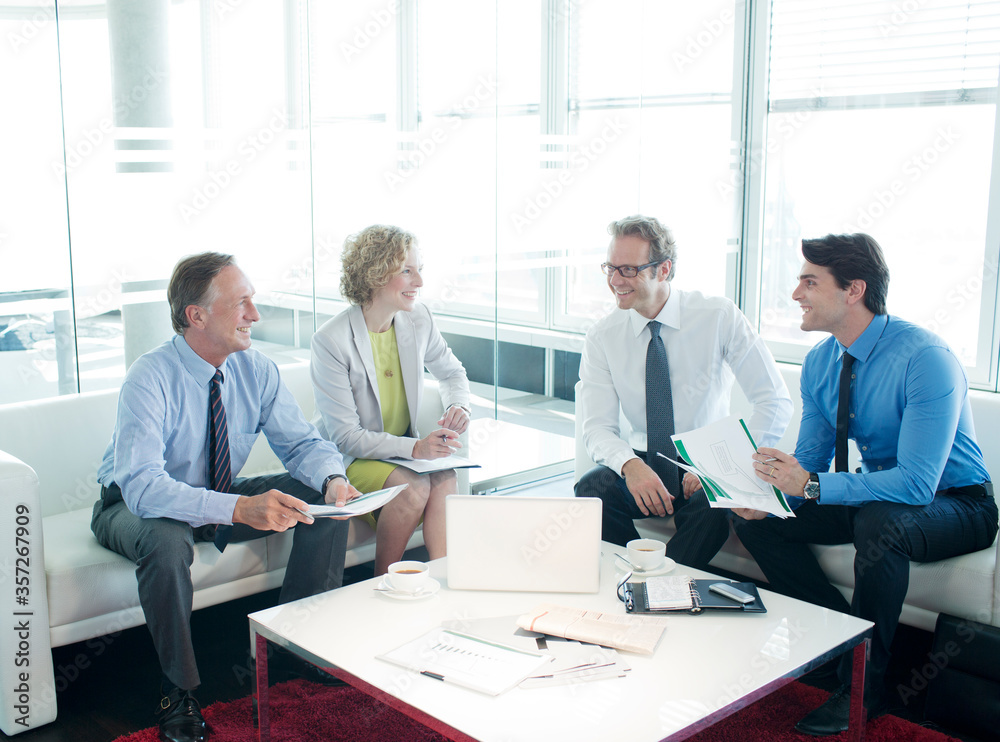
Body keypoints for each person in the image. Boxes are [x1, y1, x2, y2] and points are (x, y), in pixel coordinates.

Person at [732, 233, 999, 736]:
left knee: (880, 523)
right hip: (880, 497)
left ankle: (865, 688)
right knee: (761, 522)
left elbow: (917, 484)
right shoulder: (820, 362)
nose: (796, 294)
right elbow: (811, 461)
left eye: (810, 282)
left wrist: (811, 486)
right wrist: (769, 494)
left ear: (853, 290)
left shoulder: (925, 357)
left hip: (959, 507)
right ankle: (841, 646)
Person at [92, 252, 360, 742]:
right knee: (167, 540)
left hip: (210, 492)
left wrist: (332, 479)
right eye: (241, 303)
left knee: (317, 498)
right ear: (196, 316)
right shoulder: (149, 377)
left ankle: (296, 645)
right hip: (130, 504)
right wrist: (238, 508)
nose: (254, 314)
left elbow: (302, 444)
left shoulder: (256, 369)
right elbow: (144, 486)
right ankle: (177, 690)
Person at [575, 215, 792, 570]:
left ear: (663, 269)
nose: (614, 281)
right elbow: (597, 427)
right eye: (610, 268)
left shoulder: (718, 316)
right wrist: (630, 465)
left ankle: (655, 586)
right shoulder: (603, 336)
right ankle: (628, 573)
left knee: (715, 508)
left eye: (628, 270)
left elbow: (775, 401)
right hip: (644, 459)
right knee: (592, 489)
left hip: (706, 462)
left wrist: (721, 466)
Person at [311, 224, 471, 576]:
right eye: (407, 271)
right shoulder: (331, 340)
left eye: (419, 269)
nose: (419, 281)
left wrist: (458, 405)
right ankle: (384, 583)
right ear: (376, 275)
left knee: (446, 478)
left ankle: (444, 581)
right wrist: (416, 449)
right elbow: (346, 437)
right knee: (411, 489)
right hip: (351, 458)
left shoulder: (419, 318)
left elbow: (452, 373)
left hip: (400, 452)